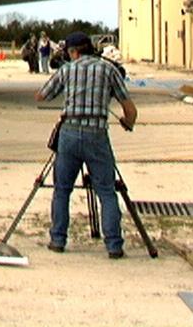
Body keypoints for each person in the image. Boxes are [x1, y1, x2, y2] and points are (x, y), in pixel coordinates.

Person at [35, 31, 137, 258]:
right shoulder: (108, 69)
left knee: (62, 190)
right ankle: (114, 245)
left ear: (73, 52)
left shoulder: (67, 70)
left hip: (69, 133)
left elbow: (42, 96)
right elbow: (130, 110)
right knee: (107, 192)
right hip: (97, 134)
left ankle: (58, 239)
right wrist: (127, 123)